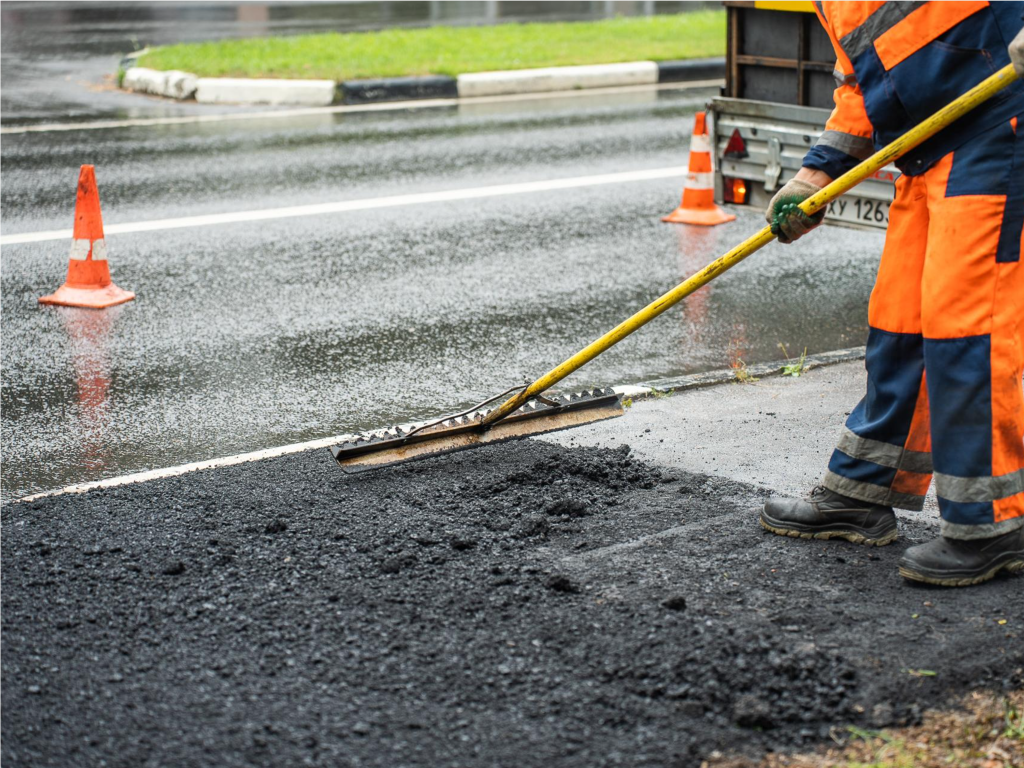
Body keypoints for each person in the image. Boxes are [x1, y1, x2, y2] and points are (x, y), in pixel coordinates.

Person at [761, 1, 1024, 586]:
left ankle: (994, 525)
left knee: (967, 330)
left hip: (998, 127)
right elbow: (860, 80)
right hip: (925, 151)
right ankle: (861, 491)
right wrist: (817, 172)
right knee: (900, 327)